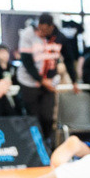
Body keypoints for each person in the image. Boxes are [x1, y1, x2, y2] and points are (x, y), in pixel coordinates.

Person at [17, 13, 80, 146]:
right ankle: (33, 148)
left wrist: (74, 80)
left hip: (49, 84)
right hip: (29, 82)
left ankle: (46, 147)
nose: (41, 32)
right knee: (33, 118)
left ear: (52, 27)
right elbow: (26, 61)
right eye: (40, 28)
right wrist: (41, 80)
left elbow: (68, 59)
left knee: (48, 117)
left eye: (45, 29)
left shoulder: (60, 37)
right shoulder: (28, 34)